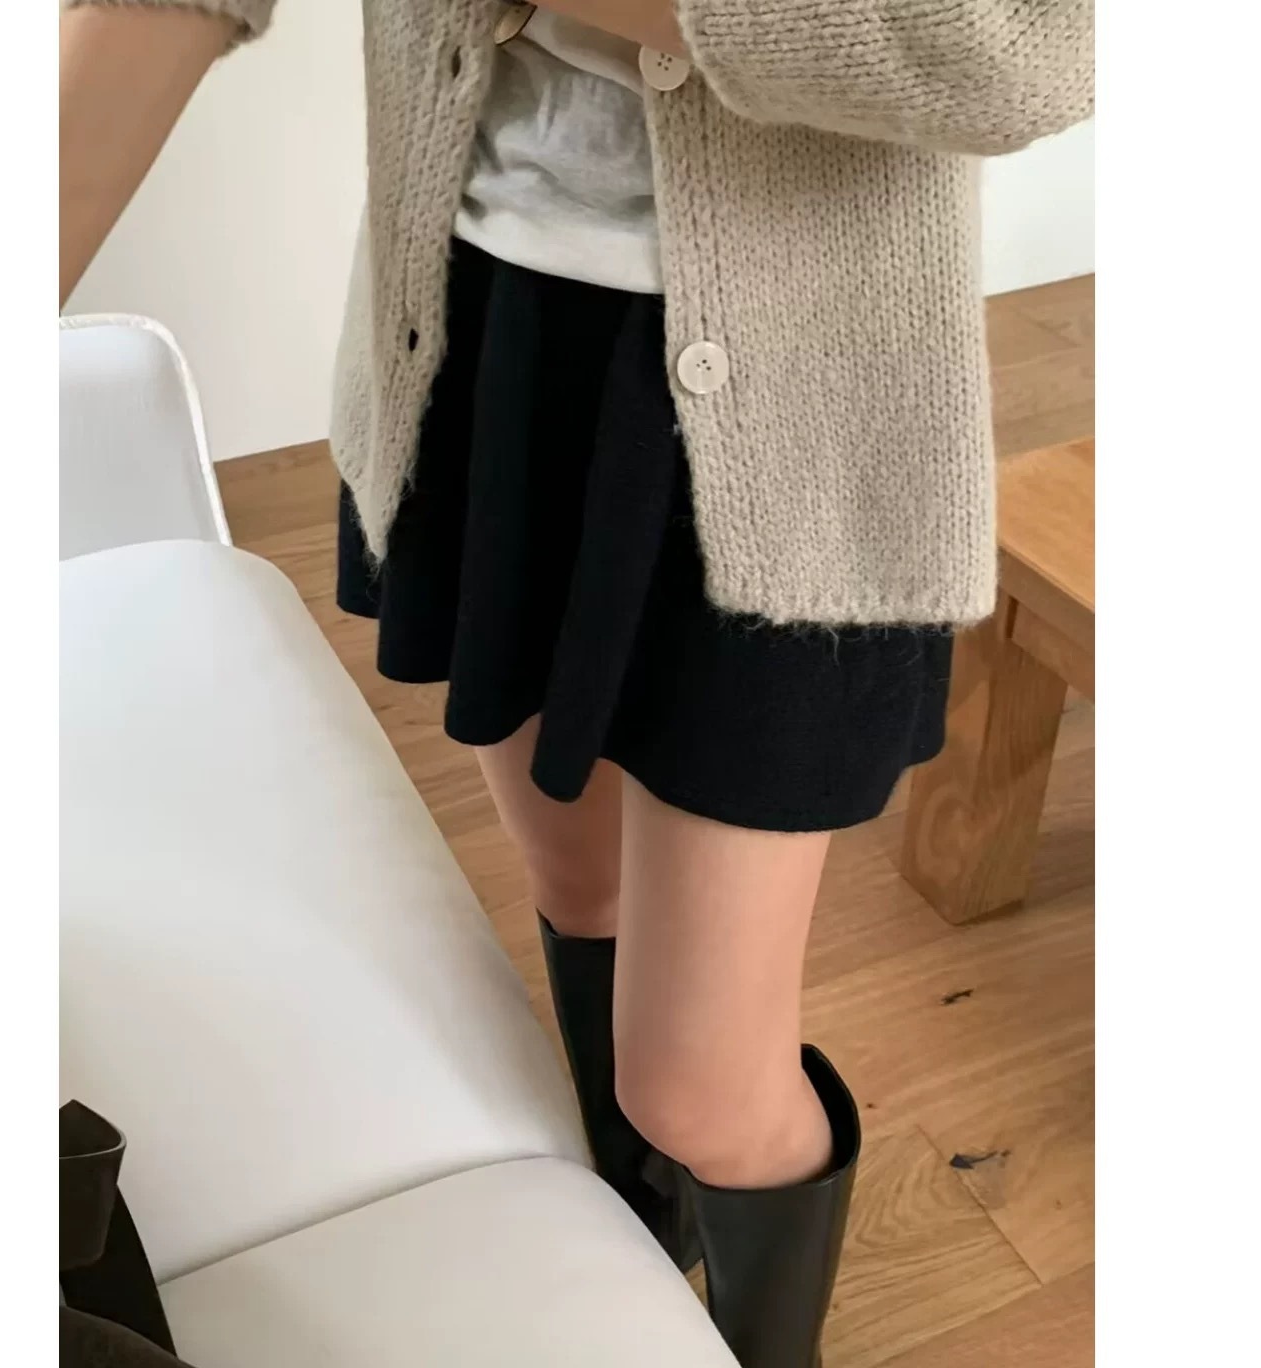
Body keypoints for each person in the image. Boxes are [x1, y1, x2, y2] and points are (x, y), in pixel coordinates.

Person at [61, 3, 1094, 1363]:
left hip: (801, 412)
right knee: (576, 883)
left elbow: (1018, 48)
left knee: (701, 1089)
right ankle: (639, 1255)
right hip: (471, 343)